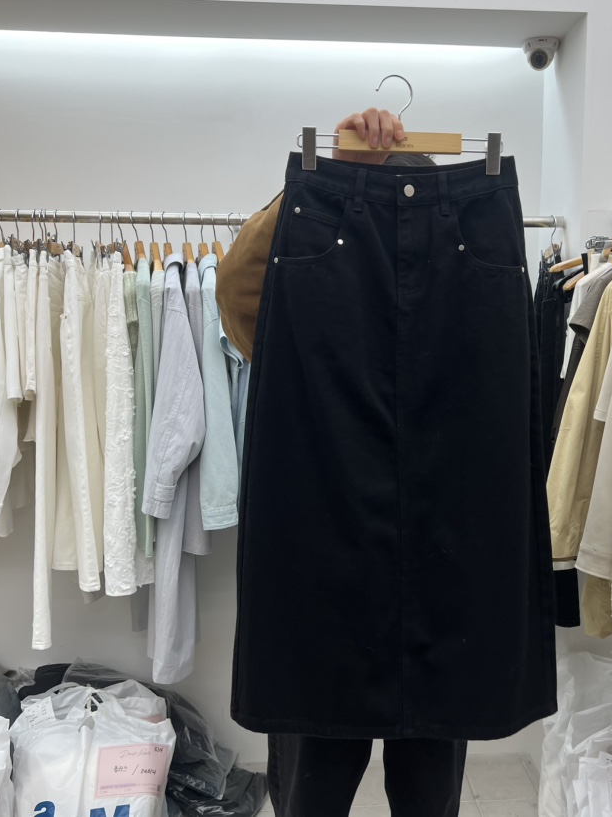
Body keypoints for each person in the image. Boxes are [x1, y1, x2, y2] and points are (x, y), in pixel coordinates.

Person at [216, 108, 556, 817]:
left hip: (431, 534)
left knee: (422, 750)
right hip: (329, 523)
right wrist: (322, 188)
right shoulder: (304, 281)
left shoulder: (468, 279)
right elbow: (240, 294)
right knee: (317, 759)